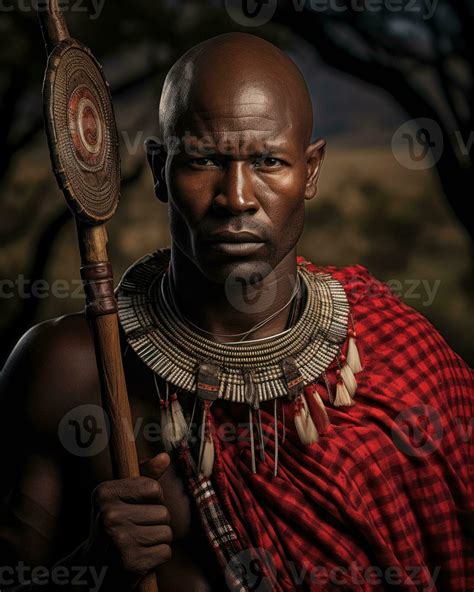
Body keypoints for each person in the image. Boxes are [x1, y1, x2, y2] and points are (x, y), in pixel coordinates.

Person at [0, 32, 472, 592]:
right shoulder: (70, 370)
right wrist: (93, 569)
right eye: (203, 159)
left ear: (312, 170)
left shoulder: (396, 355)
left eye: (269, 161)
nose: (237, 197)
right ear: (158, 169)